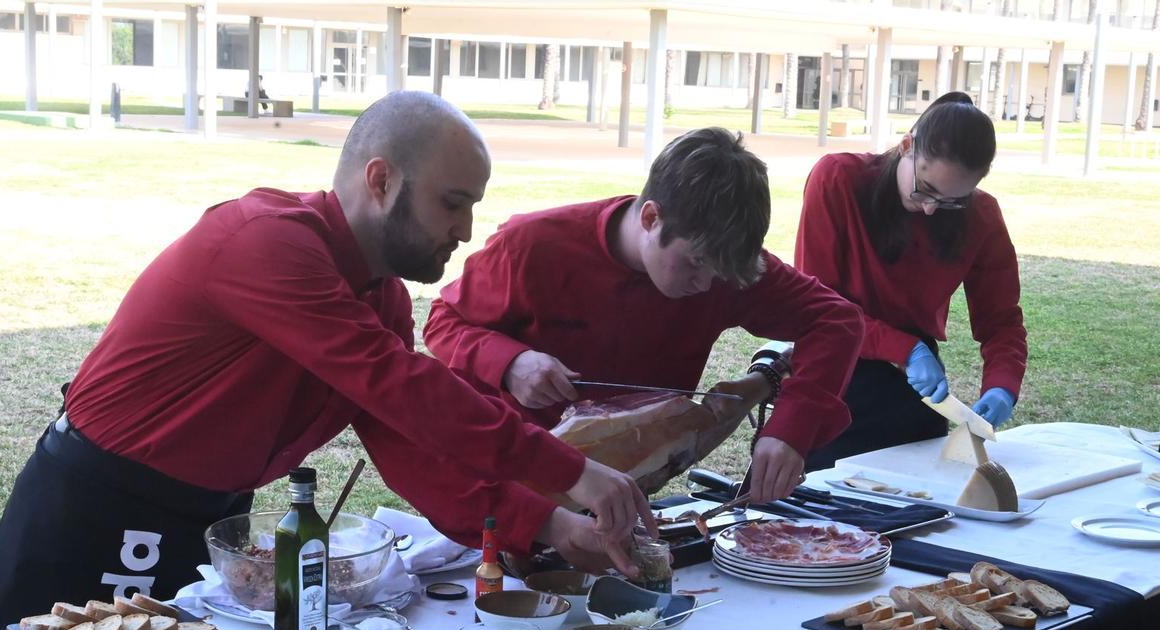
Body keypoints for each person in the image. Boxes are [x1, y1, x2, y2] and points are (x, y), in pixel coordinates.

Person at [0, 91, 655, 630]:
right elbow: (407, 388)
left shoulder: (382, 299)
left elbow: (417, 445)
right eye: (452, 203)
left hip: (207, 521)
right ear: (381, 181)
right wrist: (572, 472)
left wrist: (550, 525)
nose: (466, 231)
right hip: (103, 512)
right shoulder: (264, 243)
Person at [424, 127, 864, 519]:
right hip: (513, 488)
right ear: (652, 218)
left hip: (630, 489)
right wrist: (510, 362)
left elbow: (837, 320)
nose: (707, 284)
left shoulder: (721, 265)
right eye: (695, 264)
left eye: (720, 274)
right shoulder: (533, 245)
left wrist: (790, 429)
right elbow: (444, 321)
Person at [795, 92, 1027, 471]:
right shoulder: (838, 178)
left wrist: (1002, 386)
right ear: (906, 147)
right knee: (816, 502)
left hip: (913, 383)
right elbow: (816, 307)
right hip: (834, 365)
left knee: (920, 496)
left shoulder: (982, 215)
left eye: (954, 200)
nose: (932, 208)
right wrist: (904, 349)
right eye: (925, 190)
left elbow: (1001, 320)